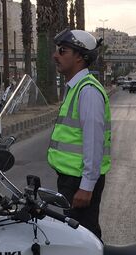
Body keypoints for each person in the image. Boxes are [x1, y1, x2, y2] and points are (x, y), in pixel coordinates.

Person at [48, 28, 110, 239]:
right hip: (70, 179)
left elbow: (94, 142)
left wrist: (86, 187)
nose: (55, 55)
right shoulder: (75, 87)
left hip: (79, 183)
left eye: (63, 51)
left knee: (85, 239)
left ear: (80, 58)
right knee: (76, 239)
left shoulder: (88, 91)